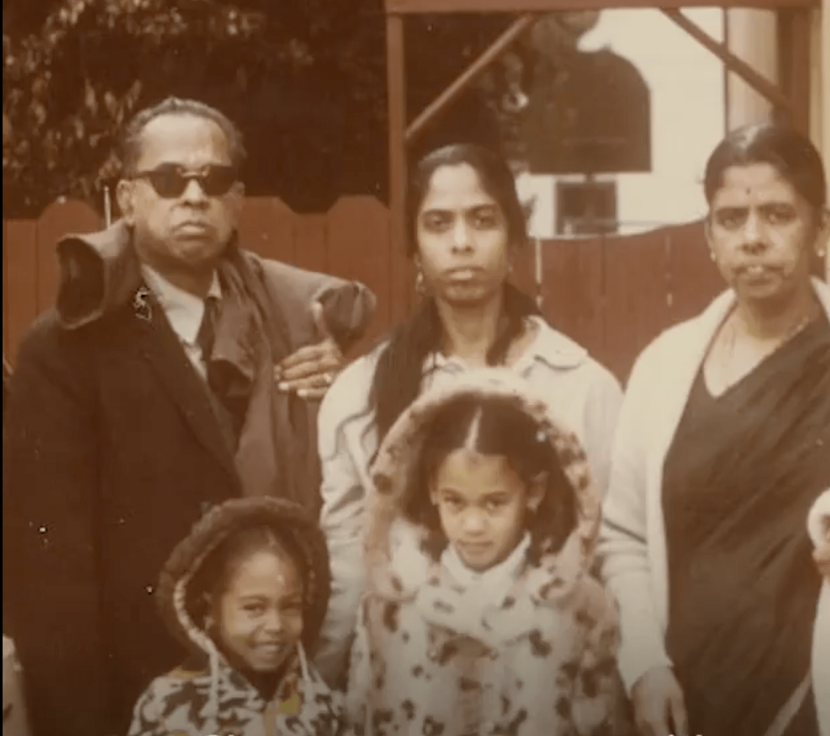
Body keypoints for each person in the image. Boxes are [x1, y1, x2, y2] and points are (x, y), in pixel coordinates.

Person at [2, 97, 374, 736]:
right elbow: (53, 575)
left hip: (279, 688)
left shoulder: (288, 326)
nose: (194, 196)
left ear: (236, 202)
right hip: (134, 693)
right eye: (169, 180)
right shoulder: (67, 348)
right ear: (127, 197)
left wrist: (338, 393)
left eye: (215, 181)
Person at [598, 123, 830, 736]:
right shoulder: (664, 367)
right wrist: (644, 668)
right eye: (731, 219)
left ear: (821, 229)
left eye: (777, 214)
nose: (754, 239)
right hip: (689, 696)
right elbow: (623, 538)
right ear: (709, 236)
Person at [314, 143, 623, 685]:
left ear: (514, 238)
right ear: (413, 246)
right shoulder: (360, 394)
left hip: (544, 688)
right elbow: (348, 564)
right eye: (438, 224)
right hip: (408, 689)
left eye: (483, 220)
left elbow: (610, 552)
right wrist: (322, 686)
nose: (461, 242)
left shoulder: (580, 386)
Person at [345, 369, 631, 736]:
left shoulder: (581, 609)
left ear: (534, 492)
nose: (473, 525)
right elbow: (359, 720)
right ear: (433, 489)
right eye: (455, 502)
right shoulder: (389, 606)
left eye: (495, 503)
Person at [127, 496, 342, 736]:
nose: (275, 625)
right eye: (254, 608)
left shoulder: (316, 700)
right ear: (211, 610)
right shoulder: (167, 705)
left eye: (290, 606)